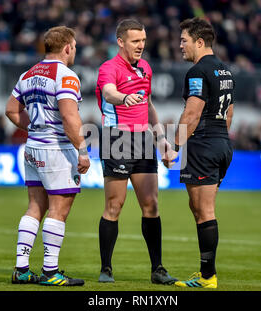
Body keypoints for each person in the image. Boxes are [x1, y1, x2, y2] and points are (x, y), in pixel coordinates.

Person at [5, 26, 90, 286]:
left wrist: (34, 127)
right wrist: (83, 150)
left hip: (32, 148)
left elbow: (10, 110)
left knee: (35, 207)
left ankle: (21, 270)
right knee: (58, 211)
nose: (74, 52)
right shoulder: (66, 76)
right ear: (67, 47)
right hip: (56, 150)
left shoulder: (28, 74)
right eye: (74, 47)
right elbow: (68, 116)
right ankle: (51, 272)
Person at [95, 19, 176, 284]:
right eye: (135, 41)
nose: (141, 45)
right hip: (116, 139)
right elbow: (107, 93)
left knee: (151, 204)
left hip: (143, 141)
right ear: (121, 42)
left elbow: (149, 105)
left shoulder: (146, 68)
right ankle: (106, 268)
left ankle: (158, 269)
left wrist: (161, 138)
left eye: (143, 40)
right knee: (114, 206)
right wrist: (123, 97)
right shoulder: (109, 68)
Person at [163, 17, 235, 289]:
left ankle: (208, 277)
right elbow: (229, 113)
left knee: (203, 211)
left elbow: (191, 113)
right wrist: (220, 139)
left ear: (200, 42)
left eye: (184, 40)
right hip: (222, 143)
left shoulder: (197, 71)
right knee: (199, 208)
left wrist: (175, 147)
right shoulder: (225, 71)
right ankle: (206, 274)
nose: (180, 45)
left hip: (203, 145)